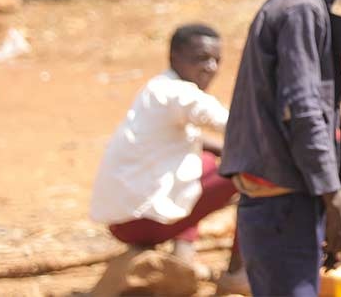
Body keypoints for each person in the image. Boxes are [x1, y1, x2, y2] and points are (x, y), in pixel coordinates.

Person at [221, 0, 341, 297]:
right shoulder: (301, 9)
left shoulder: (298, 2)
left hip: (278, 201)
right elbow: (302, 111)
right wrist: (332, 197)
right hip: (282, 202)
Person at [89, 24, 245, 293]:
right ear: (175, 57)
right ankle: (237, 273)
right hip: (141, 225)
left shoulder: (157, 88)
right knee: (250, 174)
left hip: (121, 221)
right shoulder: (180, 93)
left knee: (206, 162)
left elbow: (201, 139)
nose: (210, 67)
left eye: (216, 60)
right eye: (200, 58)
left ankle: (182, 254)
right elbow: (237, 126)